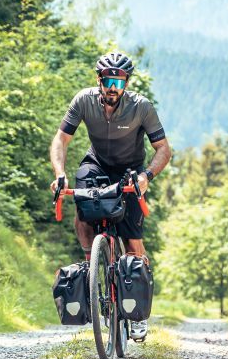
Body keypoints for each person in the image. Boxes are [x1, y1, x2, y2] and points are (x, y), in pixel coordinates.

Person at [49, 51, 172, 341]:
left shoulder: (141, 107)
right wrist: (59, 173)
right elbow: (61, 140)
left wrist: (146, 176)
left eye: (119, 82)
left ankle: (139, 314)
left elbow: (163, 149)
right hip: (96, 164)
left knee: (132, 240)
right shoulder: (84, 100)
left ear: (126, 83)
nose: (113, 87)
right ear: (99, 80)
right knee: (82, 209)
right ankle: (92, 266)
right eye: (108, 81)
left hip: (130, 170)